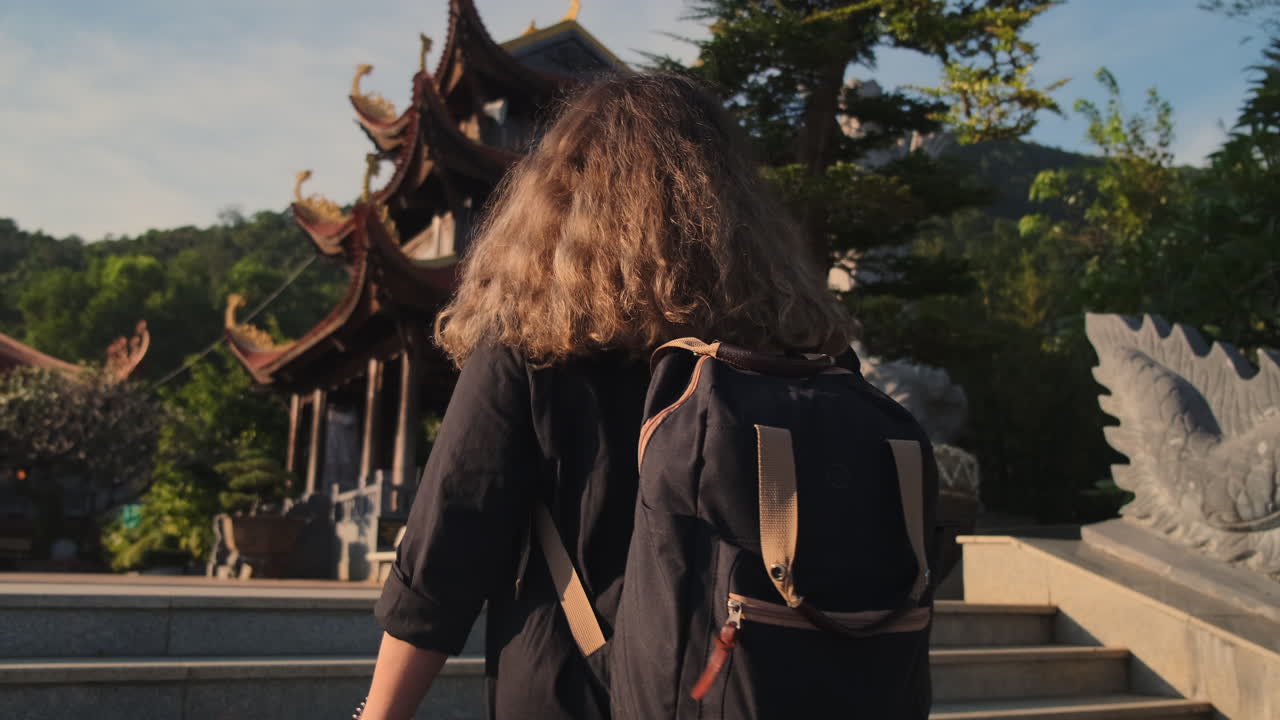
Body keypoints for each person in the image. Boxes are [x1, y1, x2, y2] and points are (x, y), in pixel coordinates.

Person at [361, 72, 853, 720]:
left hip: (580, 688)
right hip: (769, 688)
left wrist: (378, 714)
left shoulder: (534, 340)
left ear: (561, 196)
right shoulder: (805, 346)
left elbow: (445, 550)